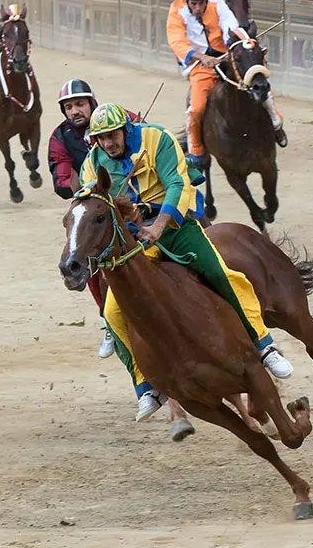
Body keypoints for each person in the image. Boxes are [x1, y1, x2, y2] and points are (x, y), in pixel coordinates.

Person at [80, 103, 293, 421]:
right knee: (112, 312)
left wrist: (158, 225)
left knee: (220, 273)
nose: (109, 142)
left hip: (177, 229)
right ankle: (145, 386)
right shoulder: (91, 164)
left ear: (125, 130)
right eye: (102, 138)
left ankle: (263, 344)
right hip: (137, 242)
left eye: (112, 135)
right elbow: (95, 205)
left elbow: (178, 185)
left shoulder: (157, 139)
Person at [48, 78, 129, 361]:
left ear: (92, 103)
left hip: (136, 195)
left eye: (80, 104)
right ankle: (107, 319)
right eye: (69, 107)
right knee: (87, 255)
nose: (75, 111)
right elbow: (61, 176)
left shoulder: (116, 118)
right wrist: (87, 194)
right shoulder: (59, 138)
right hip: (93, 204)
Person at [166, 0, 285, 166]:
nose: (198, 7)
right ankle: (196, 151)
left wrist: (244, 42)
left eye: (201, 3)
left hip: (225, 56)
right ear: (187, 1)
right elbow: (177, 41)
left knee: (253, 77)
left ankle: (275, 121)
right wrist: (201, 57)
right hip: (199, 66)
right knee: (196, 108)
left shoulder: (216, 2)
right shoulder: (176, 9)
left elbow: (231, 25)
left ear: (207, 0)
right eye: (194, 3)